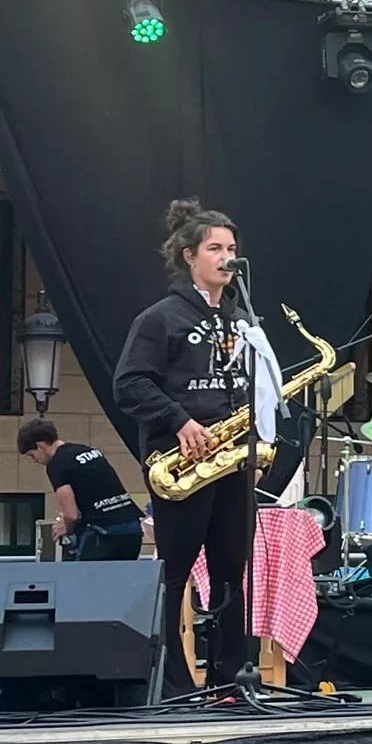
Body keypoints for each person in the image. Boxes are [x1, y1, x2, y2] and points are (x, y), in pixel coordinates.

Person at [112, 198, 252, 698]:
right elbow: (129, 383)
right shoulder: (160, 318)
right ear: (189, 255)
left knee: (231, 572)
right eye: (215, 248)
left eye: (232, 248)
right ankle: (172, 684)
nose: (227, 257)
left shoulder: (241, 320)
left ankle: (231, 680)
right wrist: (179, 420)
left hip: (232, 461)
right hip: (184, 463)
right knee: (175, 576)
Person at [17, 419, 144, 561]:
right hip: (132, 528)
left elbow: (71, 515)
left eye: (31, 455)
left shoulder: (57, 464)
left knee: (81, 580)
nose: (34, 460)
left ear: (40, 446)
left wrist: (65, 526)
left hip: (103, 533)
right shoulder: (89, 451)